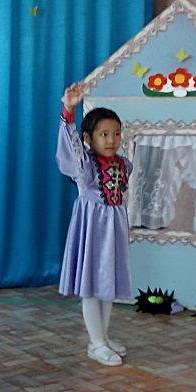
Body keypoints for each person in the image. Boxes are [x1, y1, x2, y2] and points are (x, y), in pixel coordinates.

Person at [57, 82, 131, 367]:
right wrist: (69, 111)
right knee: (91, 285)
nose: (111, 140)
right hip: (92, 229)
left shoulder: (124, 164)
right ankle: (96, 343)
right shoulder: (84, 167)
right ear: (89, 138)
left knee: (108, 284)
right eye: (103, 134)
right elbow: (70, 146)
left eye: (116, 133)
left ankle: (103, 336)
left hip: (114, 230)